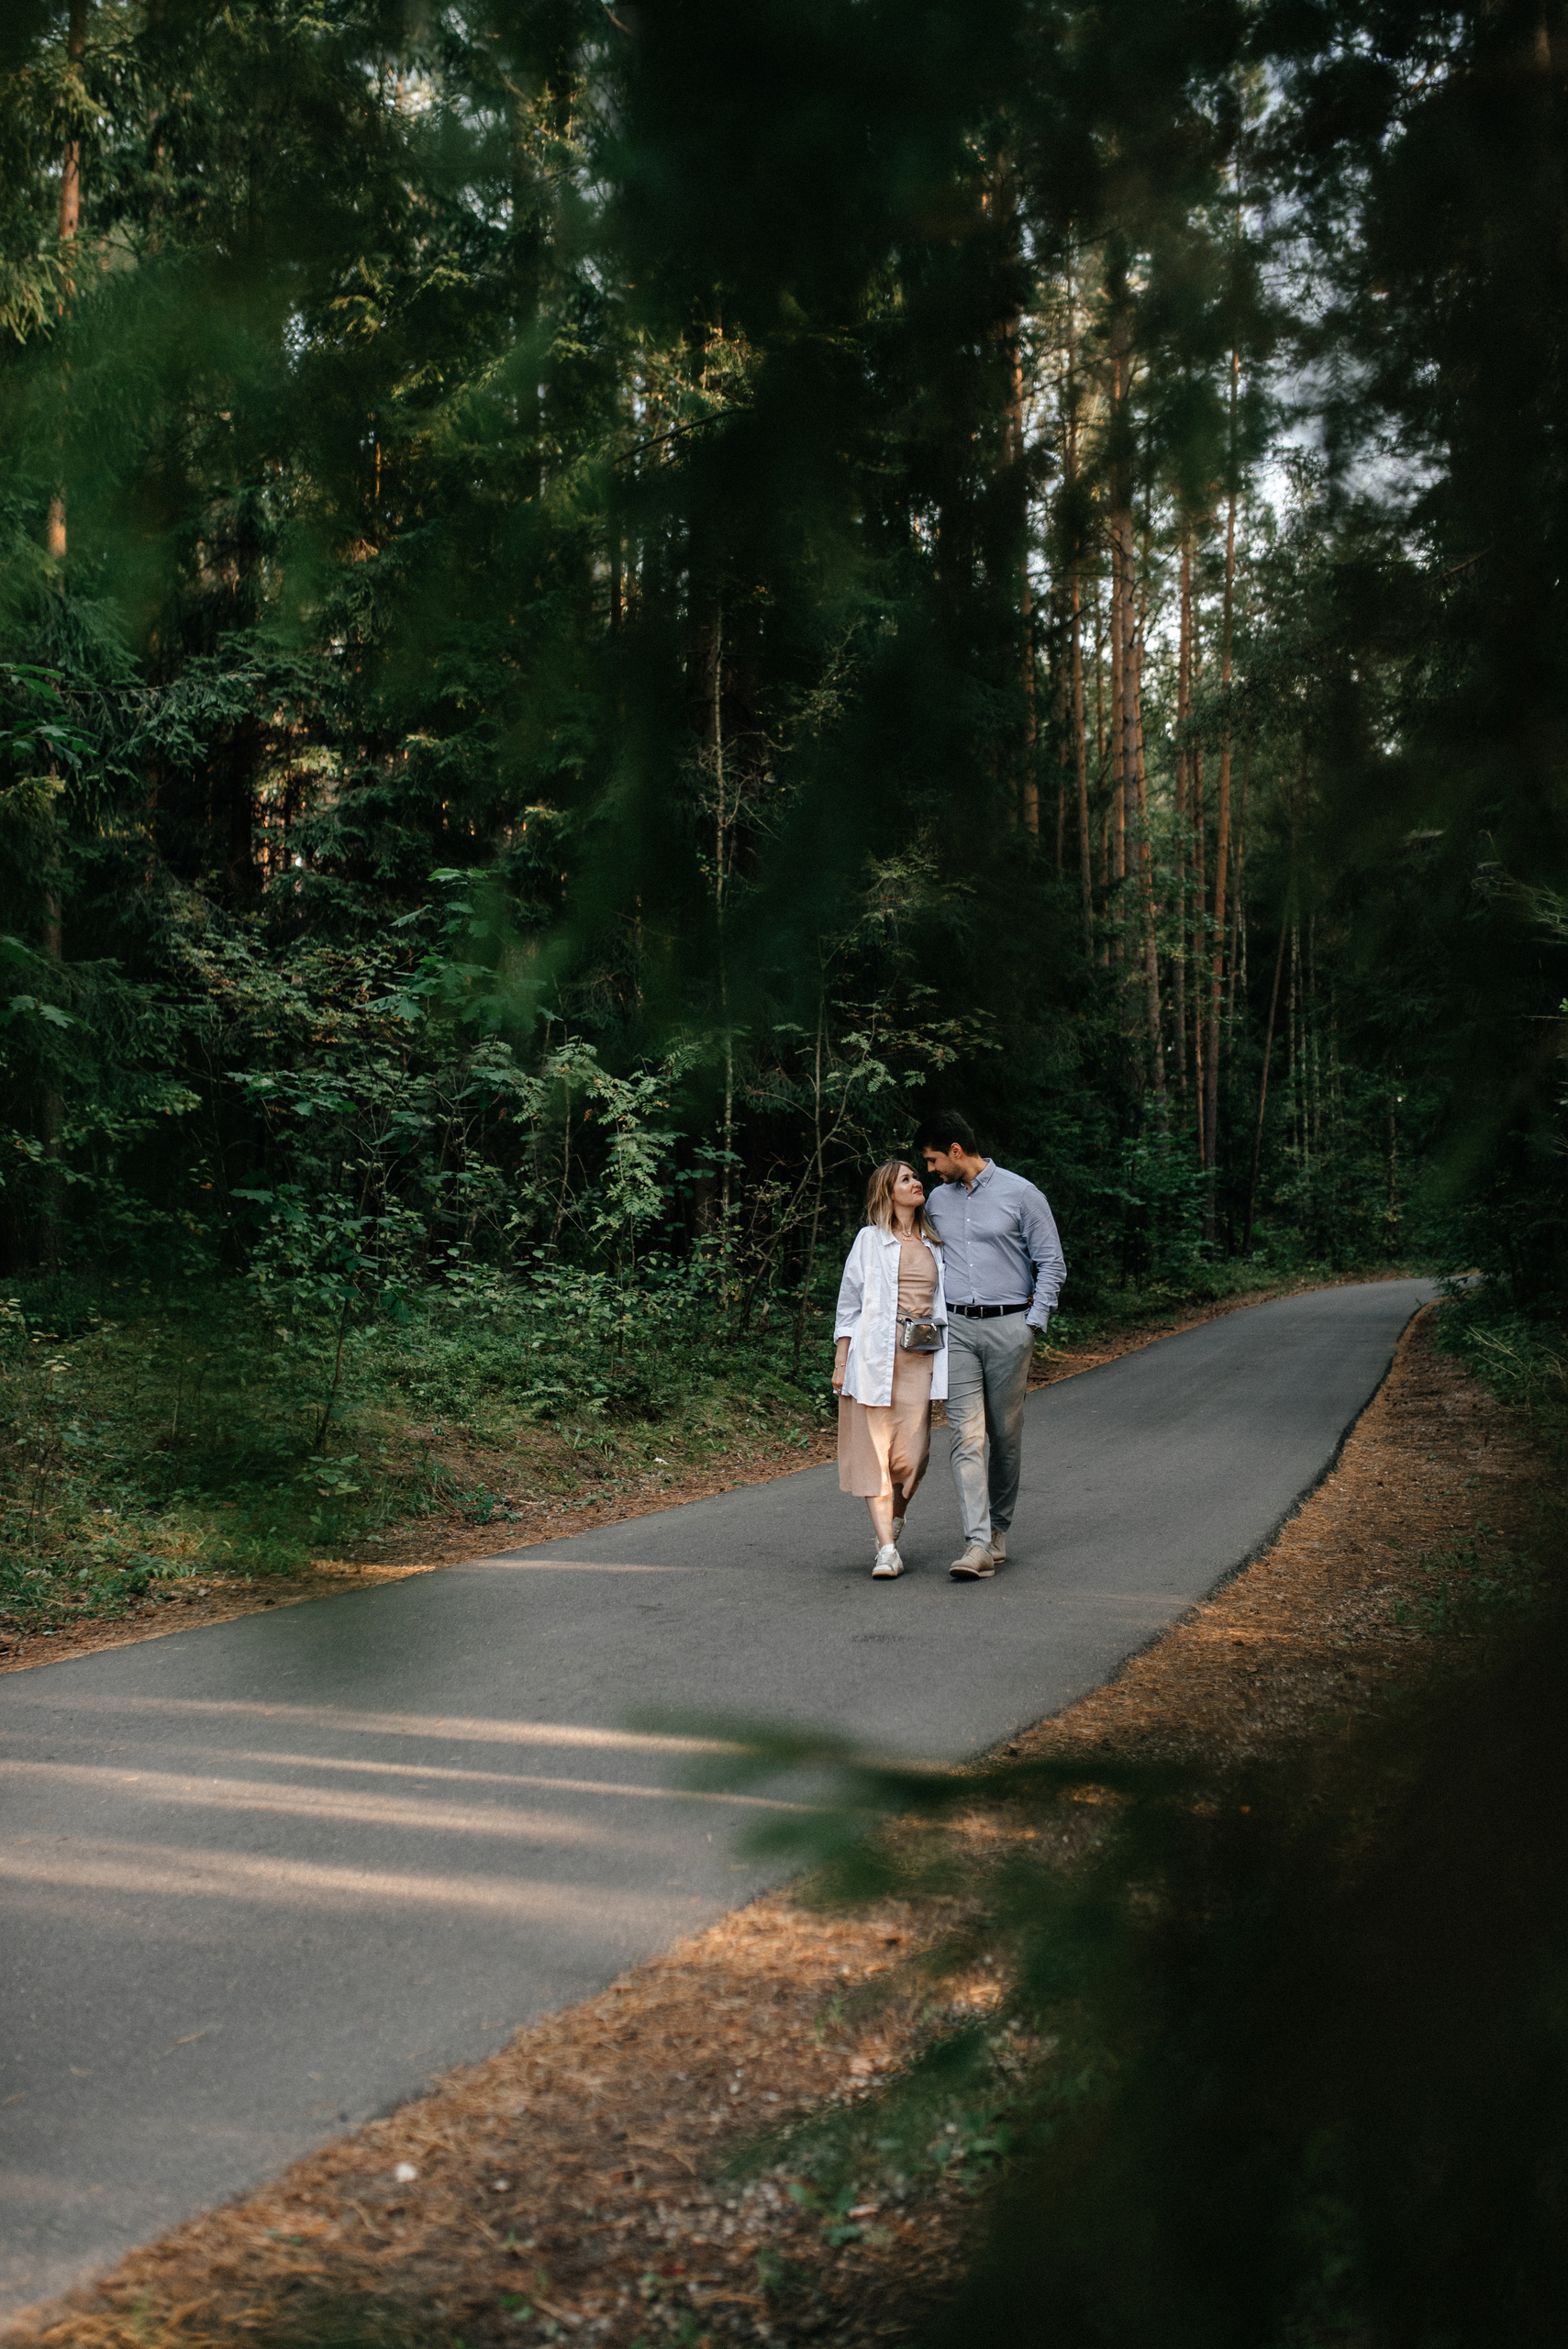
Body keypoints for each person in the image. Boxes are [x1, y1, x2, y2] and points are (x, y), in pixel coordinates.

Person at [913, 1110, 1066, 1582]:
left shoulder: (1022, 1194)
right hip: (956, 1329)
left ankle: (999, 1530)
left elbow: (1051, 1263)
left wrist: (1032, 1323)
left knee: (1005, 1436)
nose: (930, 1170)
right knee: (965, 1435)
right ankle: (976, 1543)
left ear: (956, 1151)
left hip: (1009, 1327)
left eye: (933, 1160)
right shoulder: (937, 1200)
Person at [831, 1160, 950, 1580]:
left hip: (921, 1358)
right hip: (873, 1358)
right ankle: (886, 1549)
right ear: (888, 1192)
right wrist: (841, 1362)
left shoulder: (936, 1242)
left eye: (916, 1176)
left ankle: (895, 1518)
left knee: (912, 1458)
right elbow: (849, 1305)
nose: (917, 1182)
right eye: (906, 1179)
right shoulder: (869, 1240)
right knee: (874, 1454)